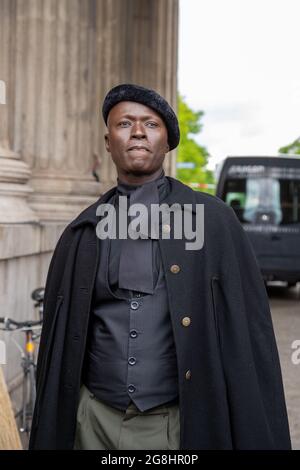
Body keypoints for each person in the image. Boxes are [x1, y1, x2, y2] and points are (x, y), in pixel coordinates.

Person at [29, 84, 291, 450]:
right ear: (108, 142)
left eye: (151, 124)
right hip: (92, 421)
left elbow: (249, 338)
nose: (138, 132)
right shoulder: (82, 233)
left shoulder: (213, 223)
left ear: (167, 142)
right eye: (125, 124)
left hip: (174, 425)